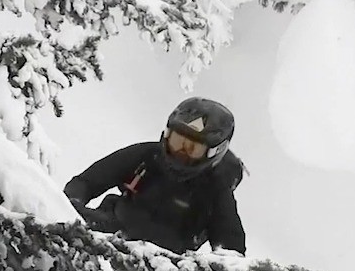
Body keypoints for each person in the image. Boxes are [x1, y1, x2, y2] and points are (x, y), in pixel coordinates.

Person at [64, 98, 246, 256]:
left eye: (192, 148)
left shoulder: (216, 189)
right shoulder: (146, 156)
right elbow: (87, 181)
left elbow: (230, 251)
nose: (181, 151)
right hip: (106, 236)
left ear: (215, 152)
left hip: (163, 269)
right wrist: (71, 205)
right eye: (177, 142)